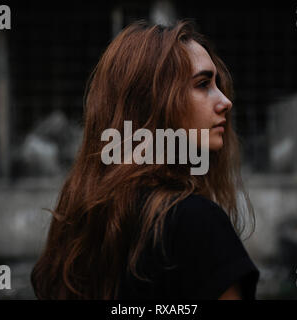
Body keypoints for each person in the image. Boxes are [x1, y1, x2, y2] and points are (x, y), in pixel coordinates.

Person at [31, 19, 259, 300]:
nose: (225, 101)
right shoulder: (197, 221)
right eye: (203, 84)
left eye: (218, 84)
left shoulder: (78, 220)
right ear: (153, 102)